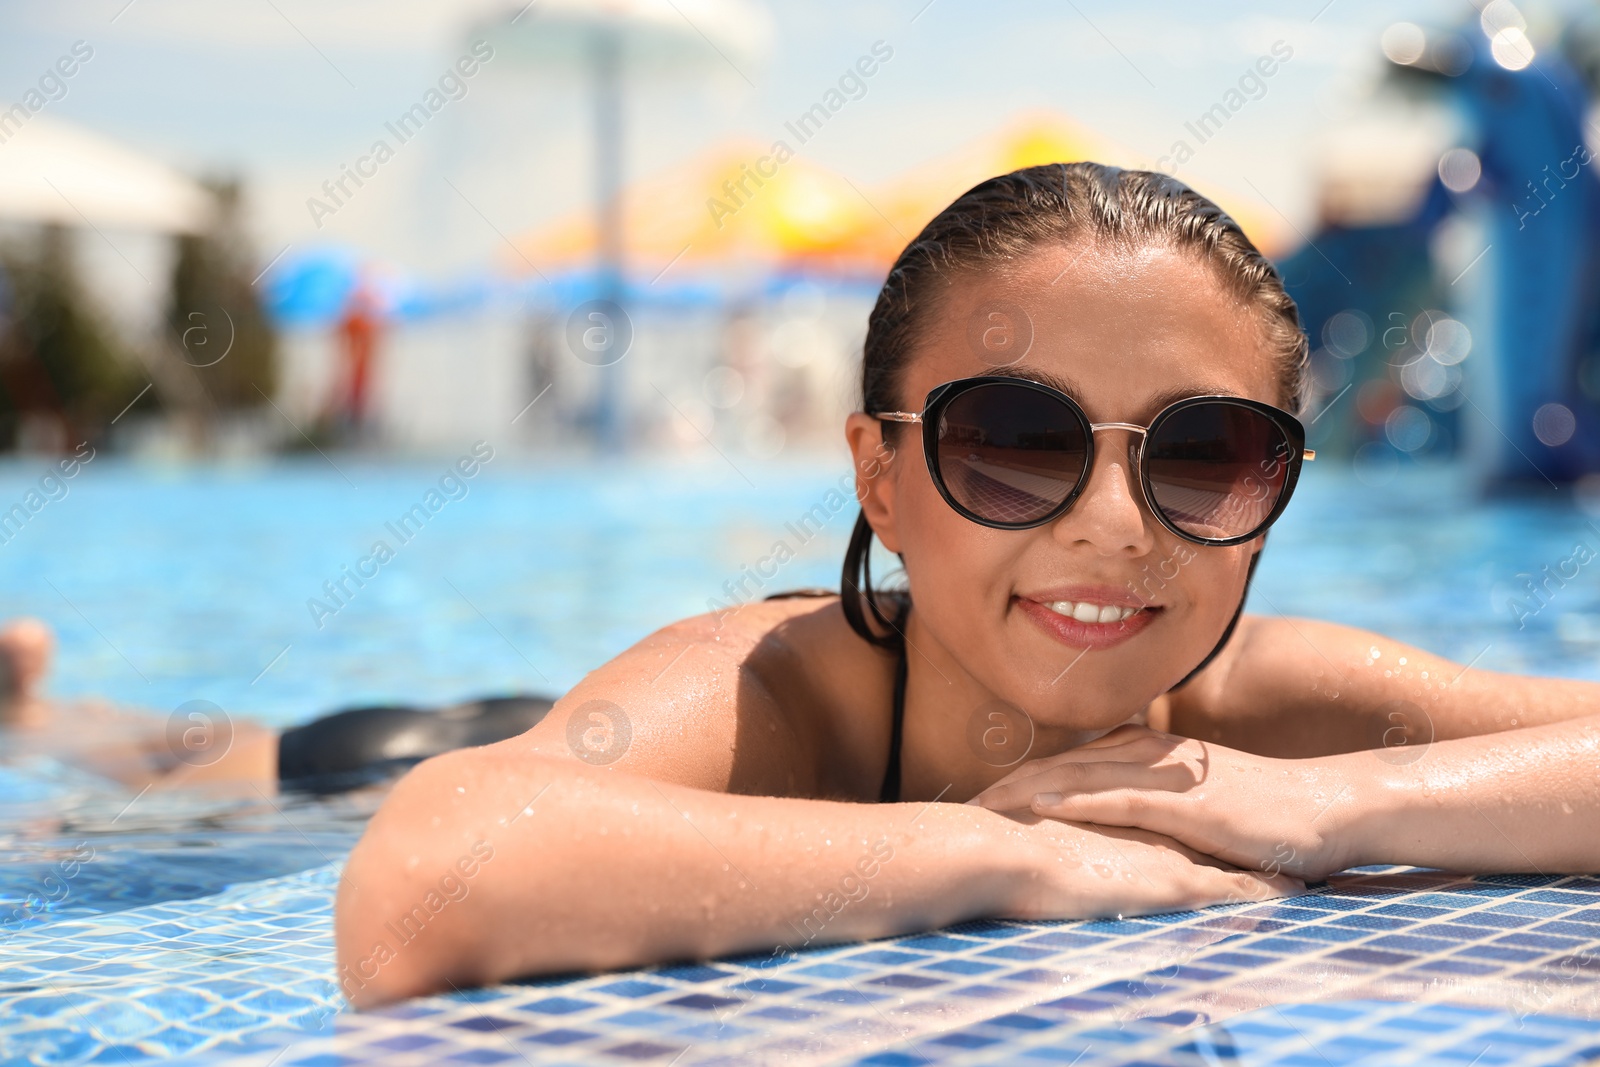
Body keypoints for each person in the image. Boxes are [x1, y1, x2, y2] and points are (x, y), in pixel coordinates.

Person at [334, 164, 1600, 1008]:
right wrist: (1003, 857)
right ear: (879, 479)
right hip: (400, 745)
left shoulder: (1254, 708)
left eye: (1204, 456)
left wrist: (1335, 805)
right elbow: (417, 876)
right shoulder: (765, 691)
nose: (1113, 528)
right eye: (1016, 438)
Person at [0, 618, 552, 794]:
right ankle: (27, 711)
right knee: (136, 777)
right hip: (311, 760)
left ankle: (26, 710)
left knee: (134, 770)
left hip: (310, 750)